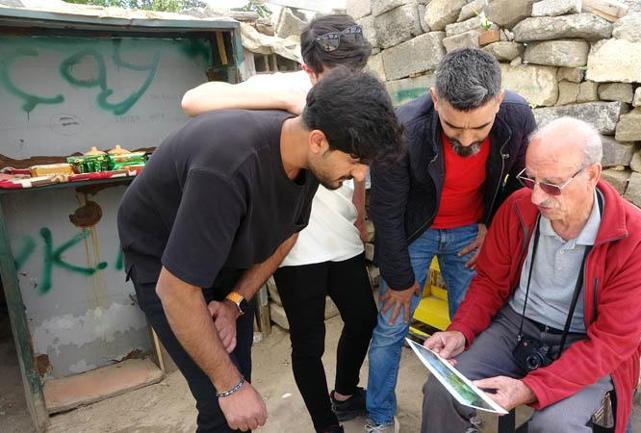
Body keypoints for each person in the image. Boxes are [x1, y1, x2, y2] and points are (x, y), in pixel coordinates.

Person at [117, 68, 402, 433]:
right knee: (225, 400)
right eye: (355, 161)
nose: (360, 176)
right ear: (318, 141)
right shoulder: (228, 168)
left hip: (227, 256)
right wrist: (229, 386)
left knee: (237, 374)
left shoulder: (309, 161)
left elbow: (287, 235)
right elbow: (175, 290)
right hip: (165, 263)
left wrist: (236, 300)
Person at [181, 14, 376, 433]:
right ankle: (326, 425)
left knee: (363, 318)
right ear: (310, 69)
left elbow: (361, 170)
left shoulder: (361, 99)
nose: (350, 85)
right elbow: (193, 100)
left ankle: (343, 393)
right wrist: (293, 103)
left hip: (342, 235)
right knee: (309, 341)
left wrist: (359, 216)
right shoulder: (292, 89)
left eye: (356, 73)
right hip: (292, 244)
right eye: (338, 76)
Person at [420, 117, 641, 433]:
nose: (536, 197)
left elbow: (611, 343)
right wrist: (461, 331)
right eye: (529, 179)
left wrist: (532, 388)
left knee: (556, 426)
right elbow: (489, 283)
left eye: (551, 185)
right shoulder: (519, 208)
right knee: (441, 390)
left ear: (592, 175)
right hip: (515, 326)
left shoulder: (636, 239)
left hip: (586, 343)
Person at [366, 48, 536, 433]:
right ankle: (378, 417)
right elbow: (387, 212)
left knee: (470, 329)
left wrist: (492, 224)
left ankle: (464, 412)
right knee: (391, 327)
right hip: (414, 235)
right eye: (453, 126)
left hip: (470, 235)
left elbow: (523, 181)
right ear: (434, 98)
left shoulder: (518, 115)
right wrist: (398, 276)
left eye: (479, 127)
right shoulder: (401, 129)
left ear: (498, 100)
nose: (466, 138)